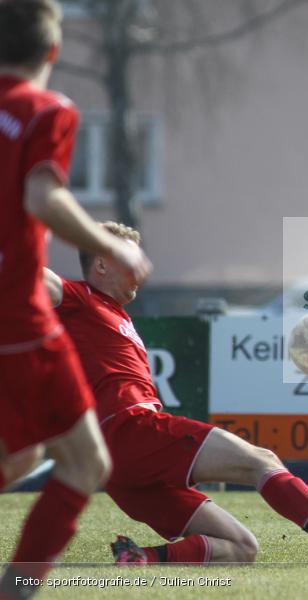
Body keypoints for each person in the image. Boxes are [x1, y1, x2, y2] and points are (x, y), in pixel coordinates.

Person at [46, 222, 308, 566]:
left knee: (242, 548)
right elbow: (31, 274)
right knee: (261, 460)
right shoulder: (80, 298)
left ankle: (141, 558)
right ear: (103, 263)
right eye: (130, 258)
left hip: (119, 469)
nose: (141, 269)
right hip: (133, 429)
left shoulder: (112, 313)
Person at [0, 1, 152, 597]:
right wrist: (113, 247)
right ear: (53, 51)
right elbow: (43, 197)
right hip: (18, 319)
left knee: (21, 457)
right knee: (86, 464)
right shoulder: (47, 109)